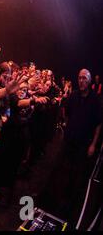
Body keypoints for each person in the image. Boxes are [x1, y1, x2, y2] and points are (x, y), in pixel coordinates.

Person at [42, 69, 102, 226]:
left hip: (83, 145)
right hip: (69, 141)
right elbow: (66, 112)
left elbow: (98, 124)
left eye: (84, 78)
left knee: (77, 175)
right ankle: (53, 201)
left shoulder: (95, 100)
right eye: (79, 78)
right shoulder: (74, 96)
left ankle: (68, 207)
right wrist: (67, 126)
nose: (81, 80)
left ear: (89, 81)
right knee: (61, 170)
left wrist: (93, 144)